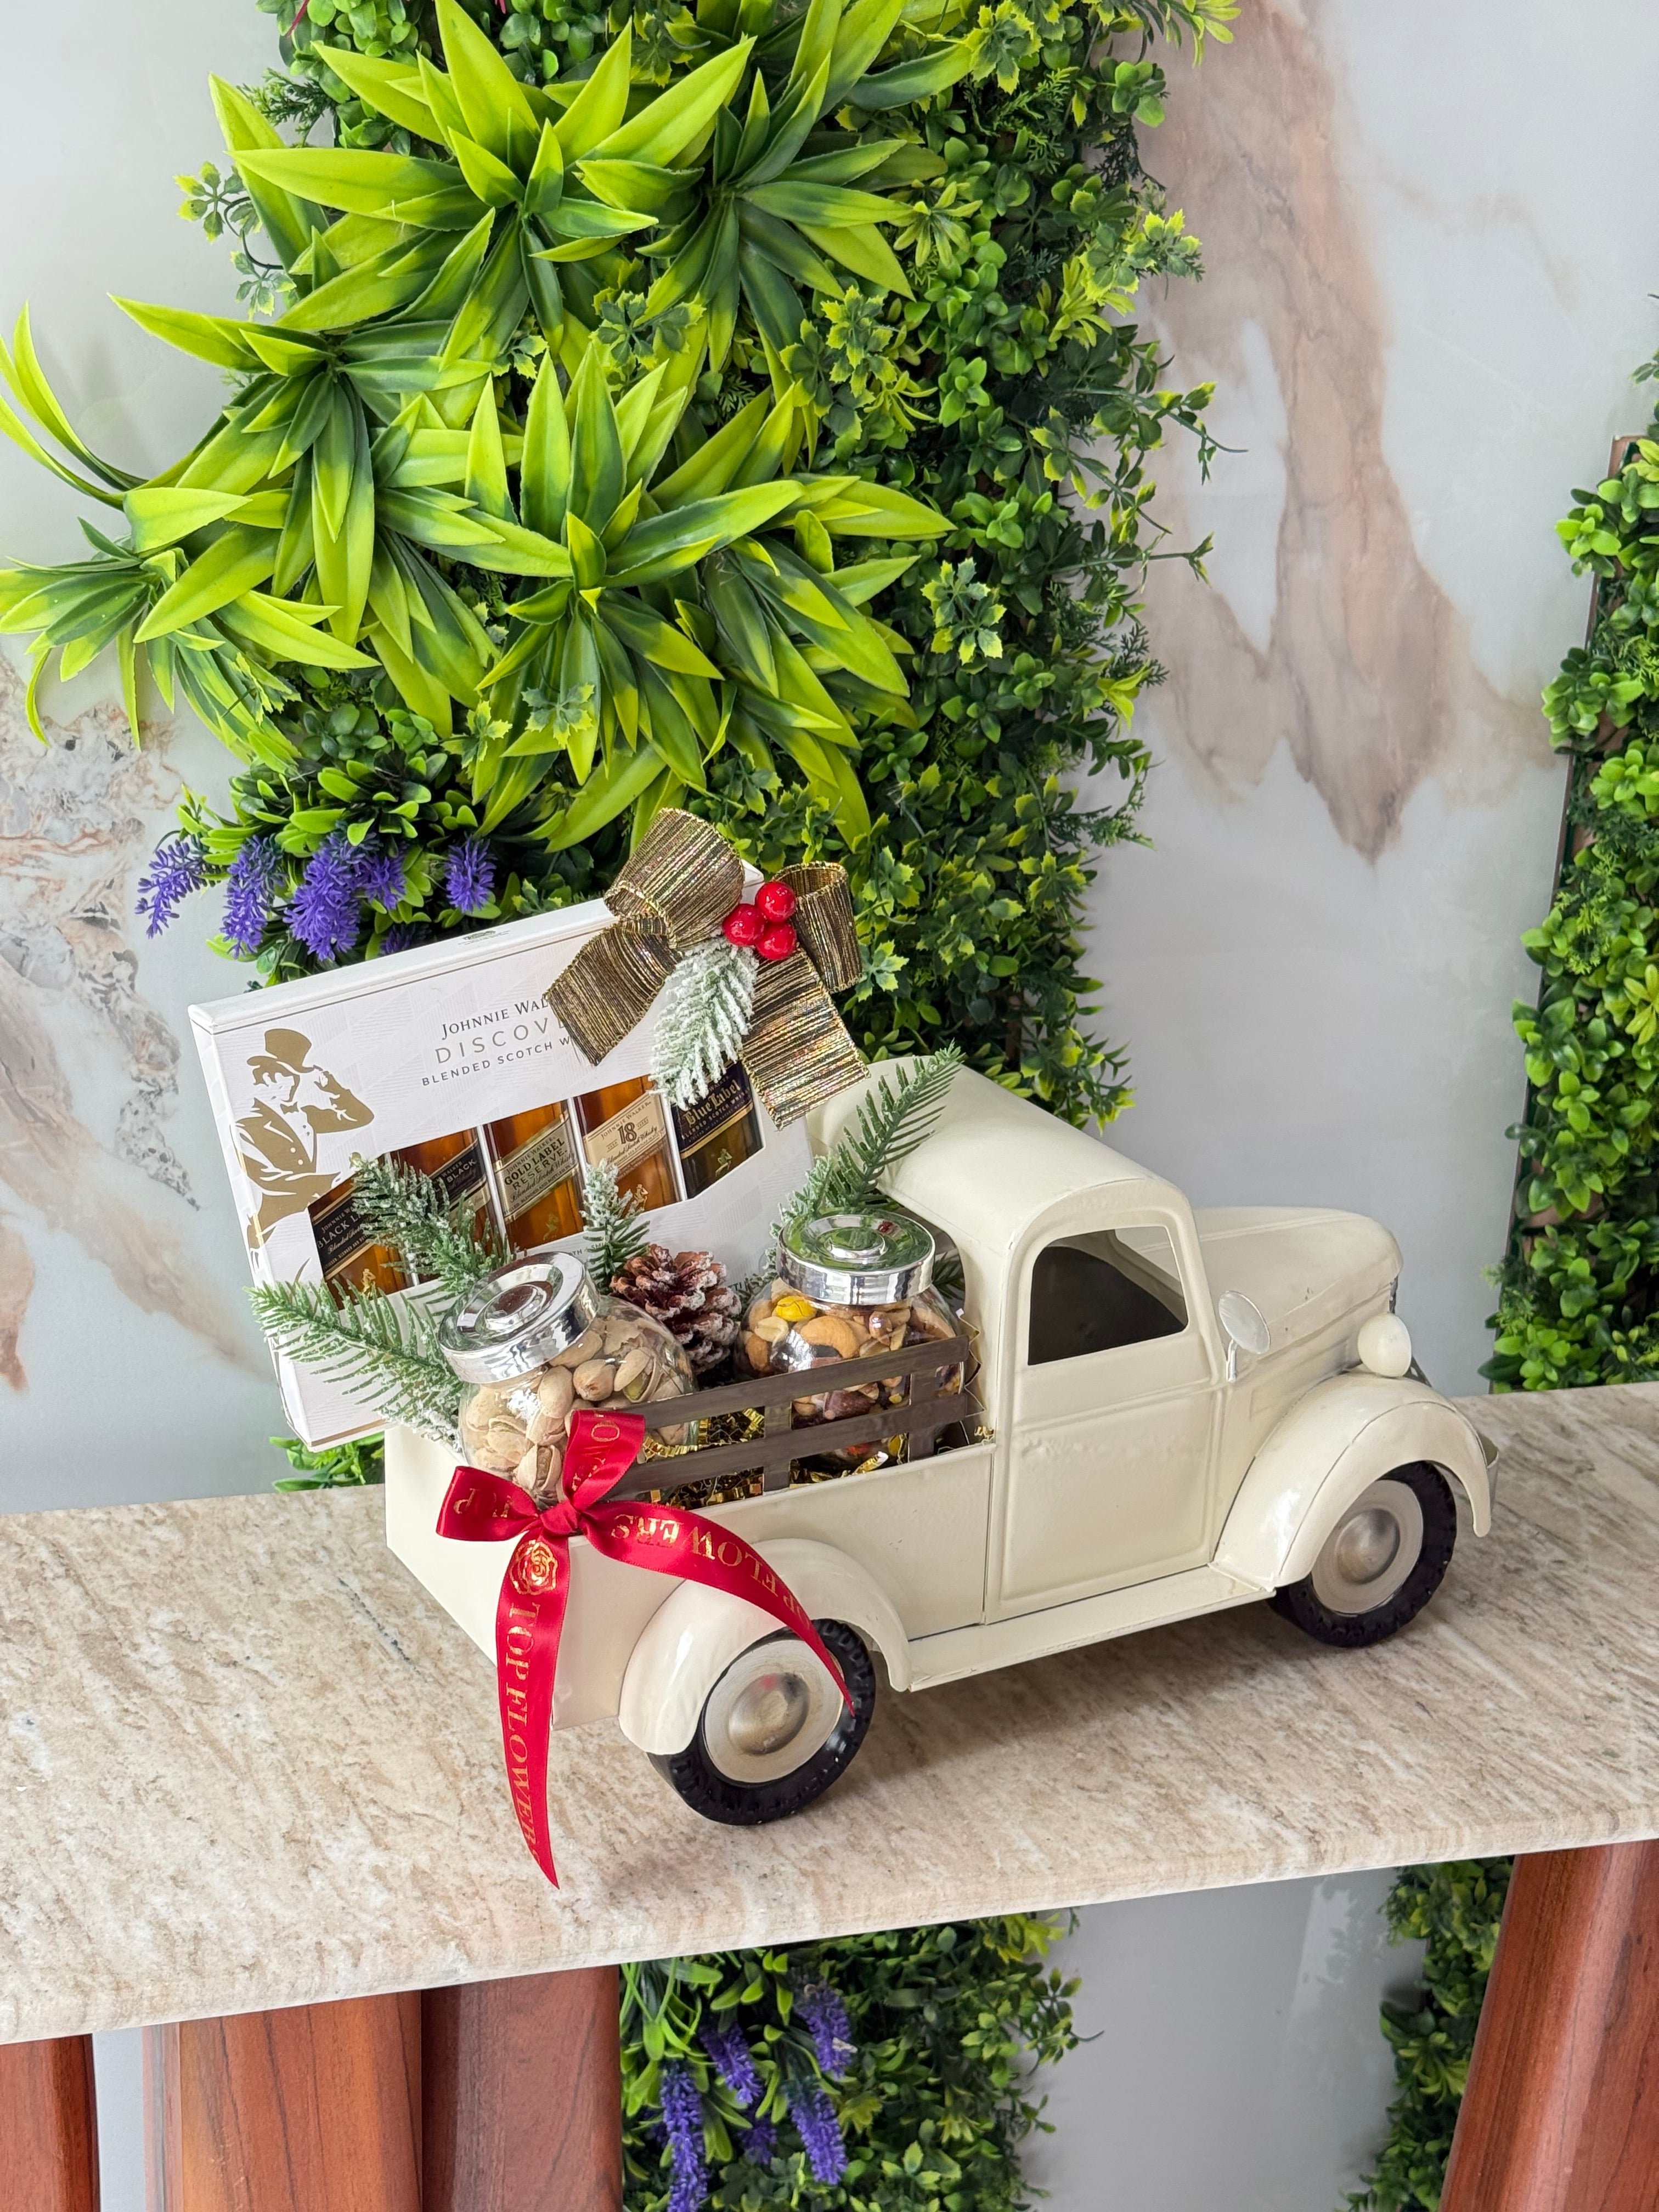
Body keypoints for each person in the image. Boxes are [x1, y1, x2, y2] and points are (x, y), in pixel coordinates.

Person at [235, 1028, 374, 1245]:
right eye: (283, 1075)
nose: (292, 1083)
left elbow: (362, 1118)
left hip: (317, 1218)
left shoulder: (307, 1115)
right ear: (264, 1079)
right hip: (276, 1228)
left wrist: (334, 1089)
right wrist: (329, 1182)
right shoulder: (246, 1128)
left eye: (294, 1076)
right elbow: (269, 1179)